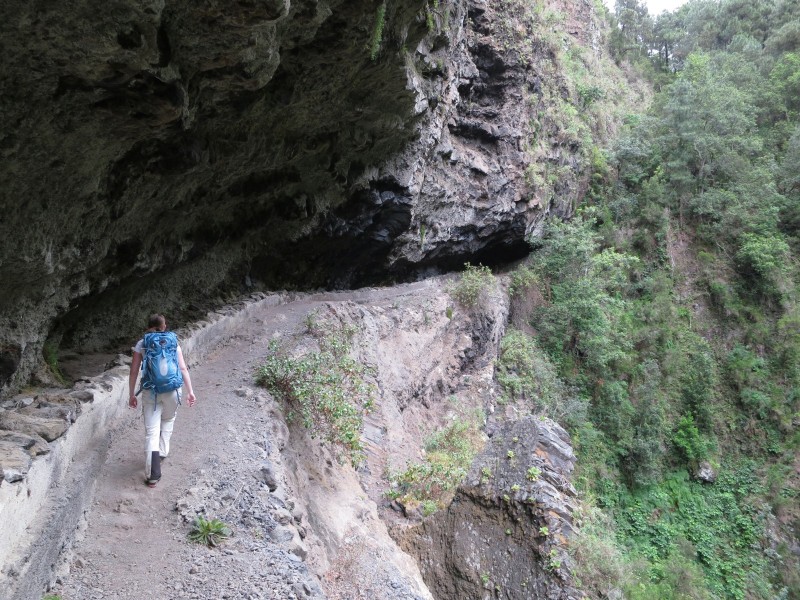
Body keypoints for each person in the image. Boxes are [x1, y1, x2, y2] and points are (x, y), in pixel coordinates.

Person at [128, 314, 196, 487]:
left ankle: (153, 475)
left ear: (148, 327)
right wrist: (190, 391)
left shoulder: (142, 343)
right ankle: (162, 452)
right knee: (168, 419)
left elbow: (134, 371)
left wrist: (131, 394)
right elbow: (182, 368)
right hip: (173, 390)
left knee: (152, 431)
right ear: (164, 326)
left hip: (151, 391)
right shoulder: (173, 341)